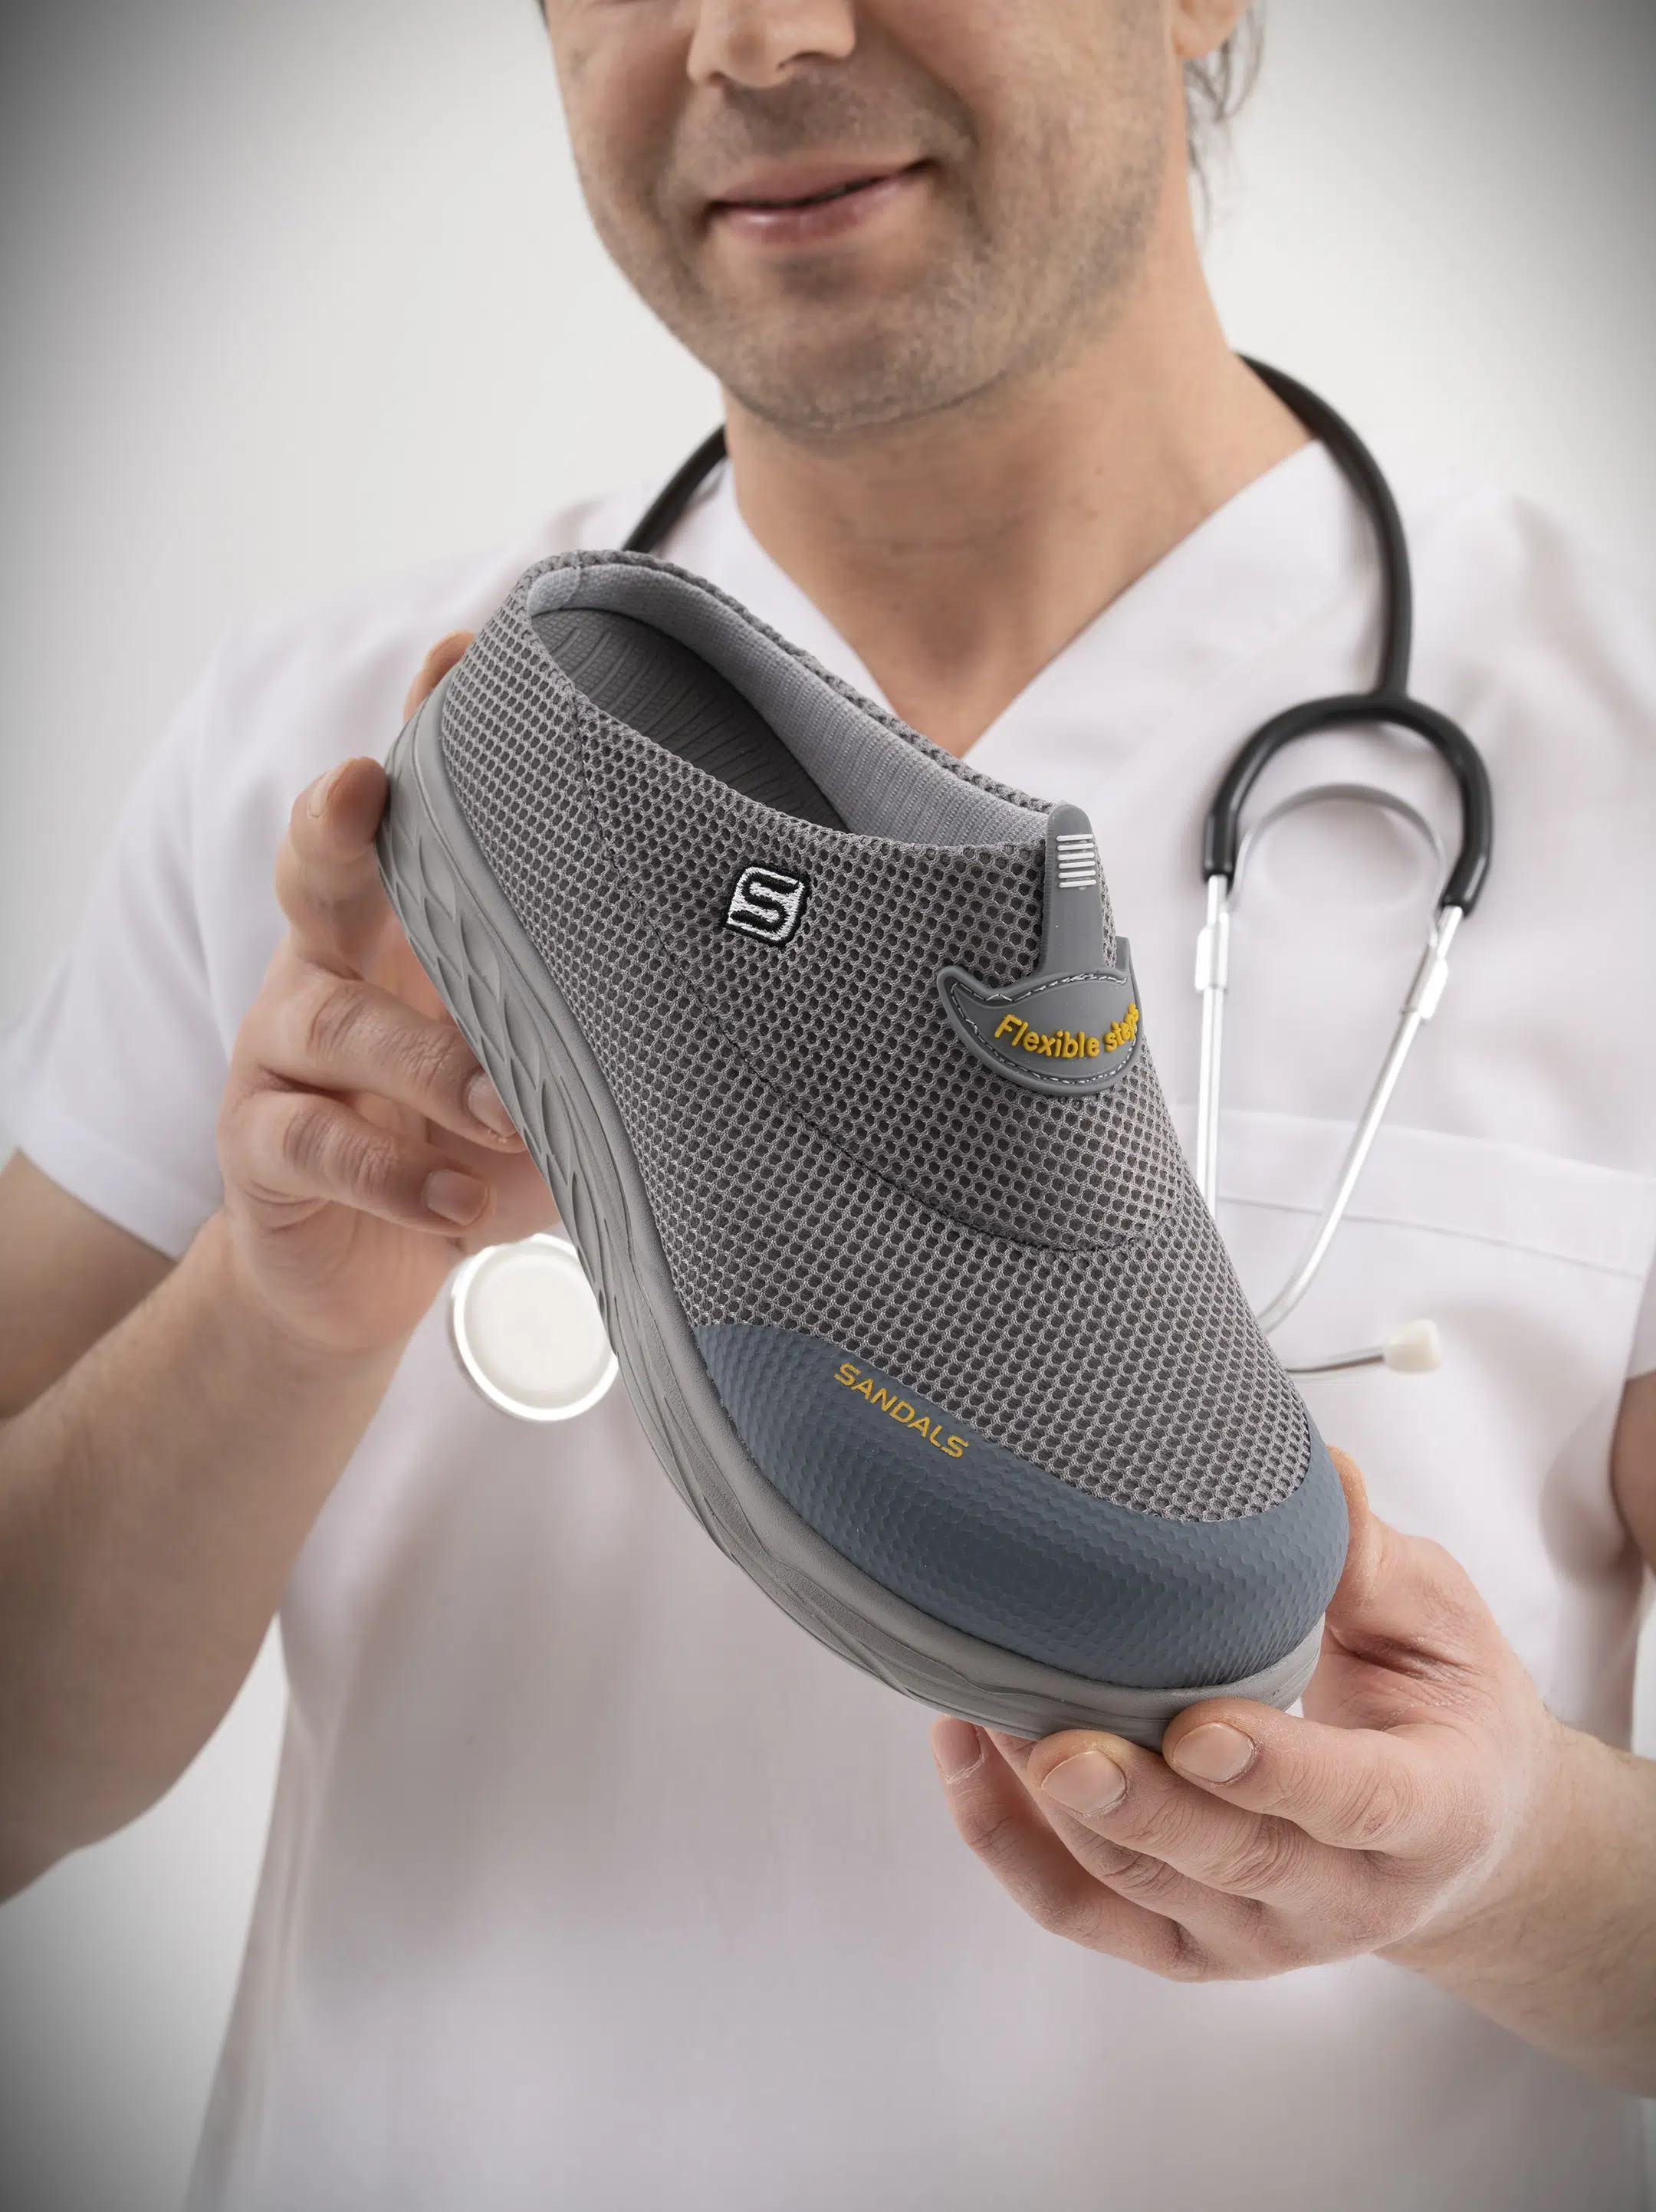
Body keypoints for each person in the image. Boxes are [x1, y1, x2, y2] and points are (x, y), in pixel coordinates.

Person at [2, 2, 1654, 2206]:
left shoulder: (1621, 764)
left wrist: (1509, 1859)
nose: (758, 33)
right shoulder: (320, 757)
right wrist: (280, 1303)